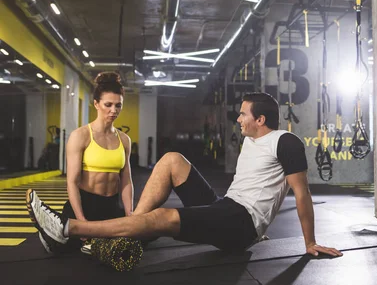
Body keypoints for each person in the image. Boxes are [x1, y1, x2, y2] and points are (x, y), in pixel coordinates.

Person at [27, 92, 342, 258]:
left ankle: (68, 228)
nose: (238, 118)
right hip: (227, 206)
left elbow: (301, 193)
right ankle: (133, 226)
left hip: (240, 223)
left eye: (243, 113)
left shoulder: (285, 142)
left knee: (164, 217)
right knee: (171, 160)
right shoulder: (250, 139)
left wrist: (309, 242)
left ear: (260, 119)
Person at [43, 72, 133, 253]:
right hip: (85, 204)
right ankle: (51, 234)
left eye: (118, 105)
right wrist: (81, 220)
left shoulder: (124, 140)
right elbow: (72, 182)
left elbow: (126, 181)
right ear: (96, 104)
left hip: (111, 206)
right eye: (108, 105)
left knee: (137, 240)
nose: (113, 110)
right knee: (68, 249)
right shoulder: (81, 136)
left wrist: (130, 214)